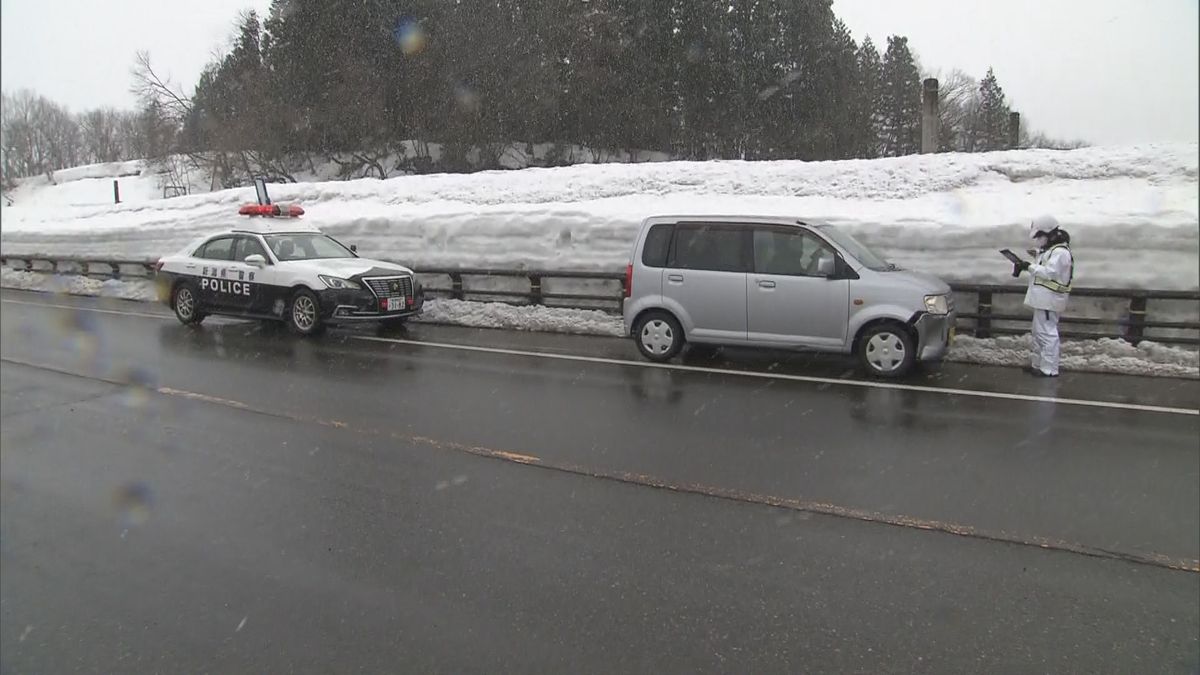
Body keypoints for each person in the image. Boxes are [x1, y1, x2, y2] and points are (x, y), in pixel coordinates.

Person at [1014, 214, 1074, 377]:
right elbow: (1048, 265)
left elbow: (1051, 272)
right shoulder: (1052, 250)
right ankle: (1038, 365)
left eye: (1040, 236)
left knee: (1047, 334)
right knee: (1039, 333)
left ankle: (1049, 369)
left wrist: (1030, 267)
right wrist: (1037, 256)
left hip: (1050, 300)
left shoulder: (1060, 252)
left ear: (1049, 234)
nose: (1038, 239)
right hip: (1043, 300)